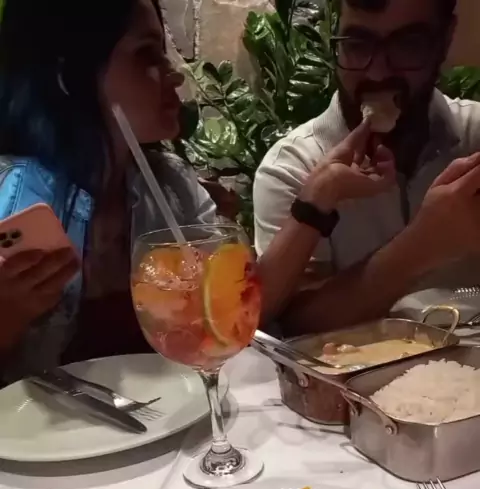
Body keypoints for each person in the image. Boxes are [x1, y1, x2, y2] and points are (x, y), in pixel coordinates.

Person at [0, 0, 217, 381]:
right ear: (70, 75)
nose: (175, 75)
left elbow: (227, 317)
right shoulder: (10, 199)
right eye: (146, 54)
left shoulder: (175, 189)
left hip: (172, 416)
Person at [254, 0, 480, 335]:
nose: (377, 73)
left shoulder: (475, 137)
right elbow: (296, 328)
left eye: (407, 45)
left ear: (445, 39)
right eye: (357, 45)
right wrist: (422, 245)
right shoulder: (292, 168)